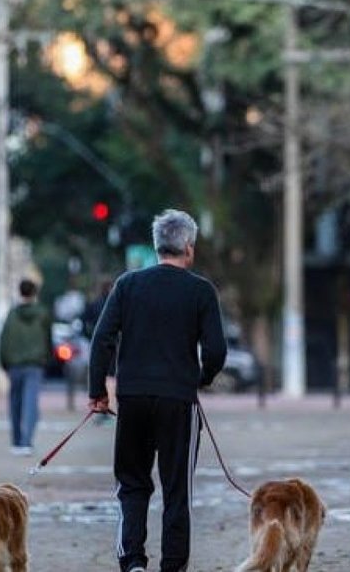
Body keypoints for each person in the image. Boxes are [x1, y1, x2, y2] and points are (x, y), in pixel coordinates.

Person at [87, 209, 227, 572]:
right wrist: (202, 378)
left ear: (156, 246)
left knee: (132, 483)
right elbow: (216, 351)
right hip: (179, 400)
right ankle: (173, 566)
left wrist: (98, 389)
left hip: (132, 397)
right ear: (189, 249)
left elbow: (102, 339)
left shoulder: (127, 285)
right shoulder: (201, 291)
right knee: (177, 489)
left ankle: (133, 561)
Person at [0, 278, 52, 456]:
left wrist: (4, 362)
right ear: (35, 293)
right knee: (31, 402)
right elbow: (47, 339)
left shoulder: (12, 314)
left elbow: (4, 339)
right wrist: (47, 359)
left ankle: (16, 441)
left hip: (14, 364)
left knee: (15, 403)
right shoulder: (43, 314)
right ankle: (26, 442)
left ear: (20, 292)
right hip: (35, 364)